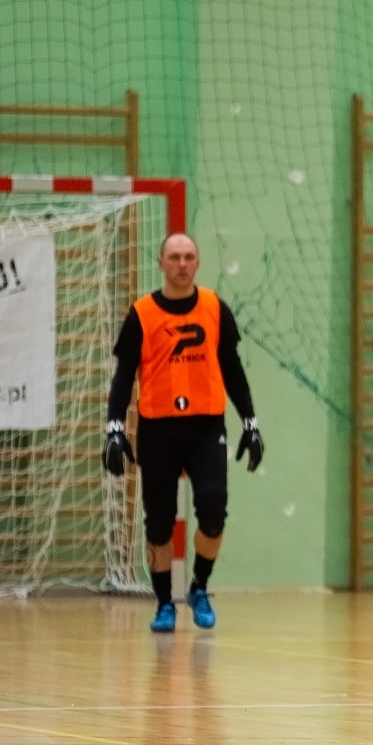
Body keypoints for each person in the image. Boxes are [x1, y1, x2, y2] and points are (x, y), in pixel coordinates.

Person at [102, 233, 264, 633]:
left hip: (206, 427)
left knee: (213, 508)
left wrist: (250, 421)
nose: (182, 263)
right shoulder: (142, 314)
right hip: (157, 428)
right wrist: (114, 427)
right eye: (174, 257)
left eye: (189, 256)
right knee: (158, 522)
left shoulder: (214, 308)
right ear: (160, 263)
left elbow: (232, 367)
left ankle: (199, 588)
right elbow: (124, 376)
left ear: (198, 262)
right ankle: (164, 604)